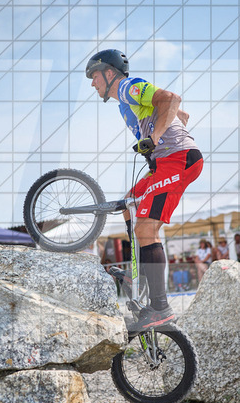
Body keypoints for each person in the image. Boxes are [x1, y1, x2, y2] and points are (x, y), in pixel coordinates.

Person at [86, 49, 203, 333]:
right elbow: (181, 114)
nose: (92, 83)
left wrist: (156, 136)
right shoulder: (123, 104)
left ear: (109, 73)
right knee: (129, 202)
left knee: (146, 228)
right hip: (163, 163)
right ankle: (141, 275)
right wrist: (167, 125)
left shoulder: (127, 87)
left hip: (177, 159)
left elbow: (172, 99)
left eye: (94, 76)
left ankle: (160, 306)